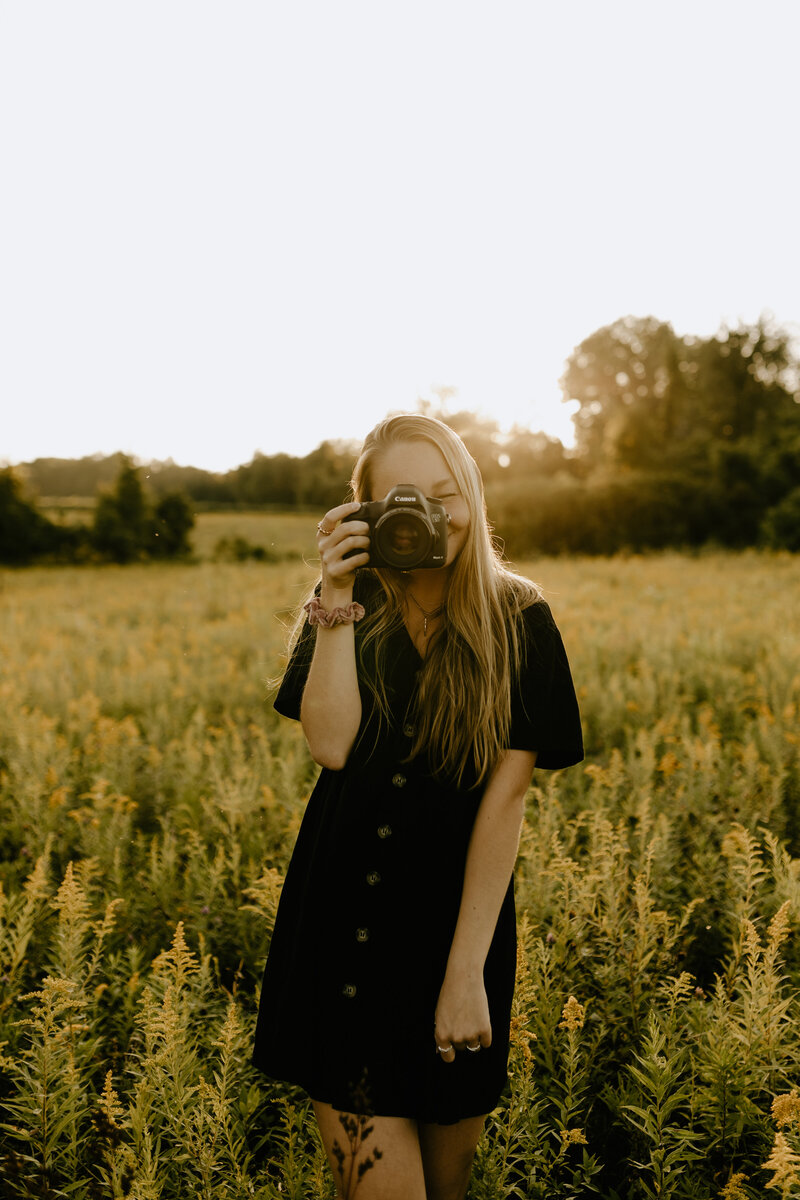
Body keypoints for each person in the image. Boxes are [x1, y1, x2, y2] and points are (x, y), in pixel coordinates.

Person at [252, 413, 583, 1200]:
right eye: (402, 500)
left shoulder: (521, 621)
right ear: (365, 510)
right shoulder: (345, 603)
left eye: (444, 494)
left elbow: (505, 803)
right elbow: (331, 746)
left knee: (447, 1186)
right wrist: (333, 594)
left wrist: (465, 972)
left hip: (453, 934)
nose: (431, 517)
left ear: (469, 492)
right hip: (341, 933)